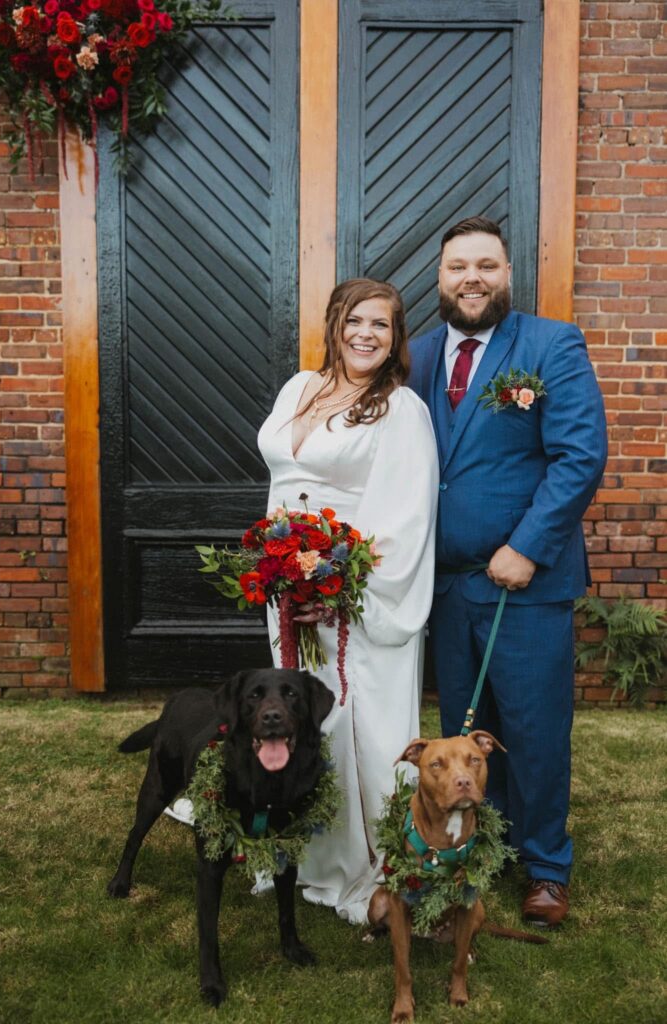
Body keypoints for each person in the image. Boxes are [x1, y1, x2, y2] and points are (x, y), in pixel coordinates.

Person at [408, 217, 607, 928]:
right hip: (448, 586)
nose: (471, 278)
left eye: (485, 265)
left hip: (524, 584)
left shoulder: (550, 345)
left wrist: (526, 545)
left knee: (532, 730)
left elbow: (579, 456)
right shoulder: (420, 356)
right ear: (438, 277)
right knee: (468, 736)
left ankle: (545, 865)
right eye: (457, 265)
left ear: (507, 275)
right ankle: (478, 848)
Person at [256, 278, 439, 925]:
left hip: (353, 606)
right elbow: (282, 485)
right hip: (288, 593)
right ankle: (306, 852)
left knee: (359, 730)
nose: (366, 334)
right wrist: (279, 569)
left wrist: (338, 590)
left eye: (381, 326)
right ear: (335, 323)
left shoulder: (399, 410)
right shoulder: (297, 389)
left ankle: (381, 863)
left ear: (395, 340)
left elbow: (405, 518)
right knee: (291, 722)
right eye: (356, 320)